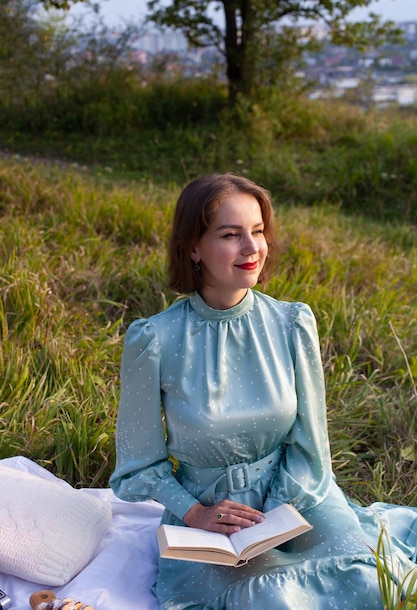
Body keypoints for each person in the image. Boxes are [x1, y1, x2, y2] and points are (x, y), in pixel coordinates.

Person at [110, 173, 417, 609]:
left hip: (299, 493)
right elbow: (137, 463)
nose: (252, 248)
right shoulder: (154, 339)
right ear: (193, 247)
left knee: (371, 582)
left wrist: (276, 514)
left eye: (257, 232)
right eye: (231, 235)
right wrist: (195, 512)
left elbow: (311, 443)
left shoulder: (291, 323)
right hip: (209, 513)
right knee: (266, 601)